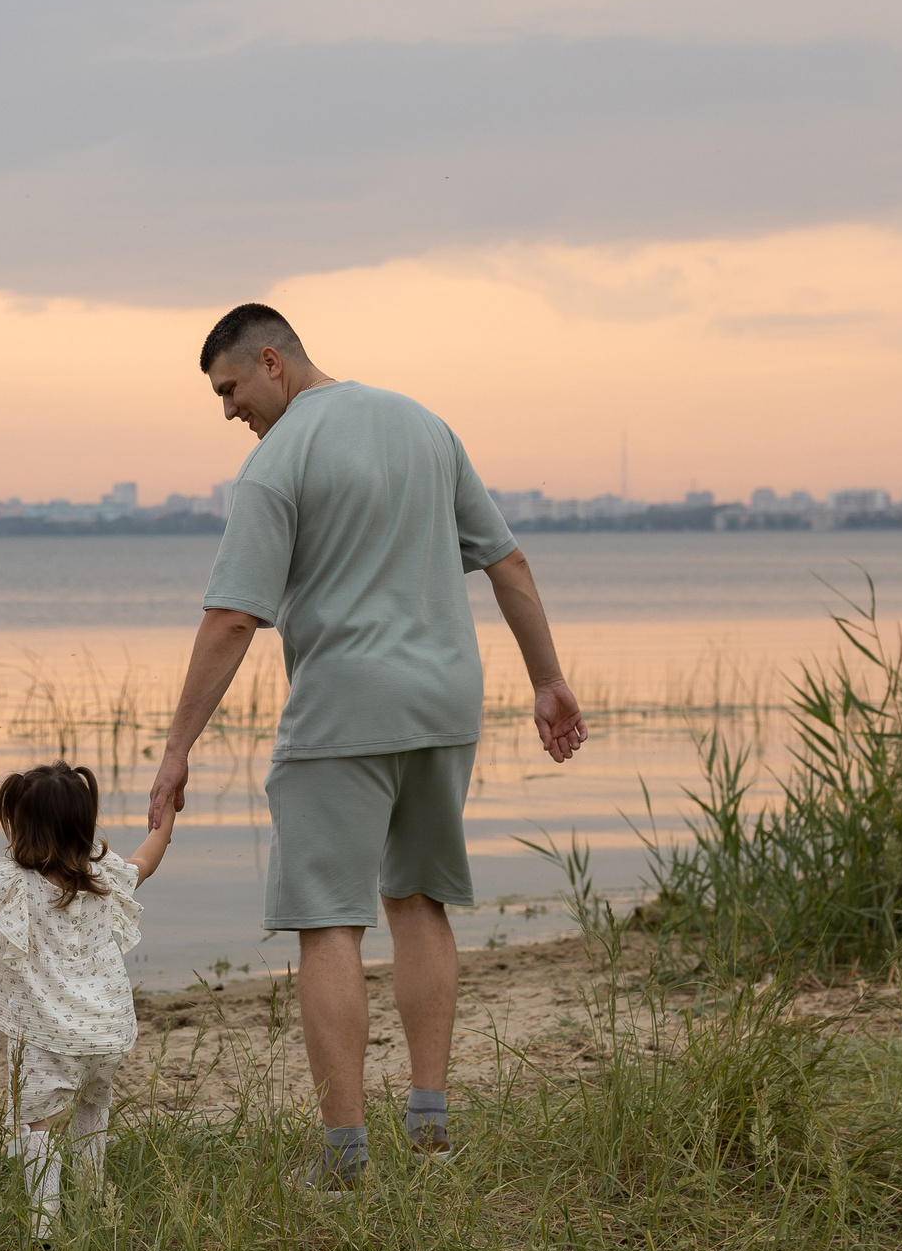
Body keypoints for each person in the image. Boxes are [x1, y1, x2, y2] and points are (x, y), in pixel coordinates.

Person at [147, 304, 585, 1188]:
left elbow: (234, 617)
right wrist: (548, 679)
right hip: (445, 702)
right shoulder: (424, 425)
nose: (230, 412)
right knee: (420, 902)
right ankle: (431, 1134)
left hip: (344, 707)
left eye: (230, 390)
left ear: (271, 361)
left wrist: (176, 746)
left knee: (328, 922)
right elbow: (509, 563)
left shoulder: (276, 462)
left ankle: (344, 1158)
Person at [0, 762, 175, 1238]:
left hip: (49, 1036)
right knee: (93, 1111)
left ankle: (45, 1226)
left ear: (22, 826)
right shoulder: (104, 874)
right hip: (108, 1032)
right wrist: (166, 813)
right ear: (83, 823)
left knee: (39, 1126)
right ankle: (92, 1204)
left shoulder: (14, 880)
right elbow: (149, 857)